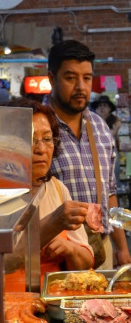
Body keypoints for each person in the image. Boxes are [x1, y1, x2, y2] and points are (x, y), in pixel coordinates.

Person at [47, 39, 131, 269]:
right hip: (53, 251)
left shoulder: (99, 127)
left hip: (98, 247)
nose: (81, 87)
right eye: (70, 77)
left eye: (86, 78)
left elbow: (110, 192)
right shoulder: (39, 127)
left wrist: (122, 248)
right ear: (51, 79)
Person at [3, 98, 93, 290]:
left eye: (47, 139)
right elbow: (5, 263)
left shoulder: (57, 189)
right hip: (9, 305)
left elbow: (85, 262)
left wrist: (69, 249)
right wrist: (52, 223)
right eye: (30, 140)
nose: (41, 149)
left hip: (52, 302)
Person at [91, 94, 121, 184]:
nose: (102, 108)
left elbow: (108, 136)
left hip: (111, 152)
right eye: (100, 106)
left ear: (109, 109)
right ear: (96, 109)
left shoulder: (115, 121)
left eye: (105, 106)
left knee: (114, 178)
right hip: (96, 153)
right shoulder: (91, 121)